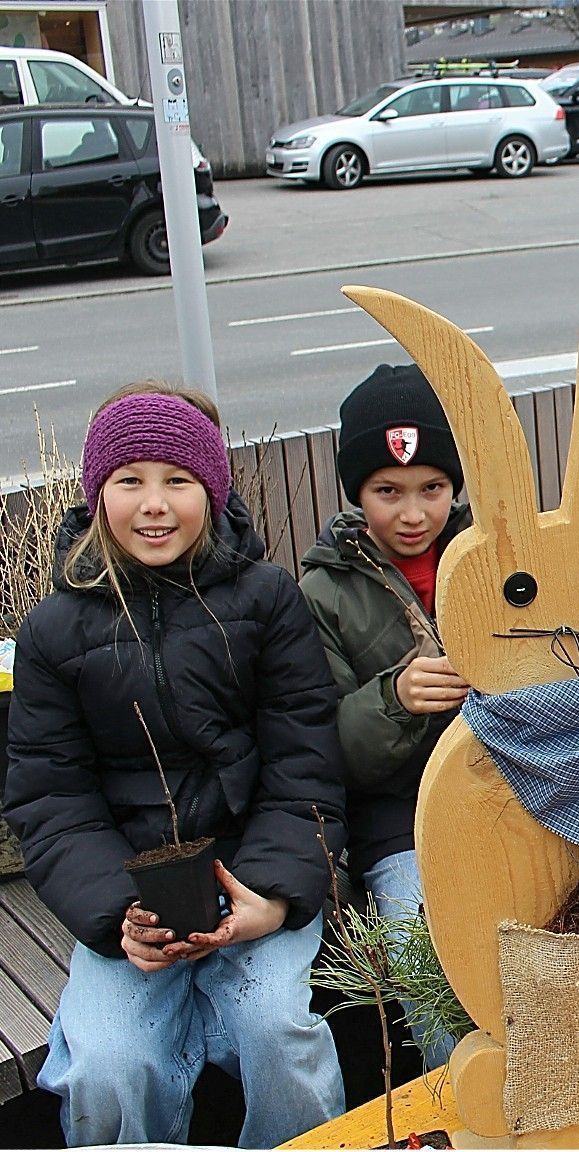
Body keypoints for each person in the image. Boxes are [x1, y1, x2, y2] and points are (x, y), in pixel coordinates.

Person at [2, 384, 346, 1148]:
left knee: (276, 1031)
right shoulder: (54, 630)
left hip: (254, 873)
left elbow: (303, 763)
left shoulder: (266, 600)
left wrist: (275, 896)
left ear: (212, 493)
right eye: (129, 481)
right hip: (131, 898)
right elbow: (51, 795)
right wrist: (115, 915)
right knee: (109, 1062)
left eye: (177, 480)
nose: (154, 504)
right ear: (97, 497)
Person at [298, 363, 468, 1067]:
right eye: (386, 491)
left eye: (432, 488)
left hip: (511, 792)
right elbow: (329, 749)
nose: (412, 513)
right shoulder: (322, 591)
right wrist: (393, 701)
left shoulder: (492, 558)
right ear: (356, 494)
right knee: (421, 950)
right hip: (396, 822)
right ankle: (454, 1107)